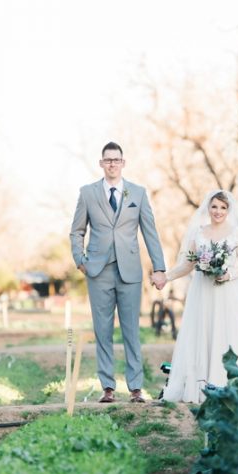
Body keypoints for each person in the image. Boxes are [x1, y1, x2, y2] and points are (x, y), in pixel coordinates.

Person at [70, 142, 166, 404]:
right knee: (102, 331)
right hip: (98, 271)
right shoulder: (88, 193)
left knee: (131, 330)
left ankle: (136, 388)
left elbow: (150, 232)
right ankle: (108, 387)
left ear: (123, 163)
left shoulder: (138, 193)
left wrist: (159, 268)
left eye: (116, 159)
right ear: (101, 164)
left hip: (130, 272)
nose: (112, 164)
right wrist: (80, 260)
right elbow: (77, 230)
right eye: (107, 160)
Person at [161, 190, 238, 404]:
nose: (218, 211)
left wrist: (229, 274)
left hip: (228, 294)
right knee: (202, 333)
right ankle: (199, 387)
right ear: (208, 208)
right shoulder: (199, 233)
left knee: (225, 335)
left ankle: (224, 386)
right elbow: (187, 264)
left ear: (229, 210)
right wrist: (166, 278)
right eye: (214, 206)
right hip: (202, 293)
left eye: (223, 207)